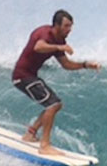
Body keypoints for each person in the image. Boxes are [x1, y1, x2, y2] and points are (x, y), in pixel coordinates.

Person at [12, 9, 100, 155]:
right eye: (66, 26)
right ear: (56, 25)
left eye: (71, 26)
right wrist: (59, 47)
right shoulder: (44, 33)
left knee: (55, 105)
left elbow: (66, 65)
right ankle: (45, 146)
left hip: (31, 76)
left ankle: (30, 134)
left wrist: (85, 65)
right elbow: (38, 47)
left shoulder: (60, 41)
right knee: (53, 105)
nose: (69, 30)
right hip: (21, 76)